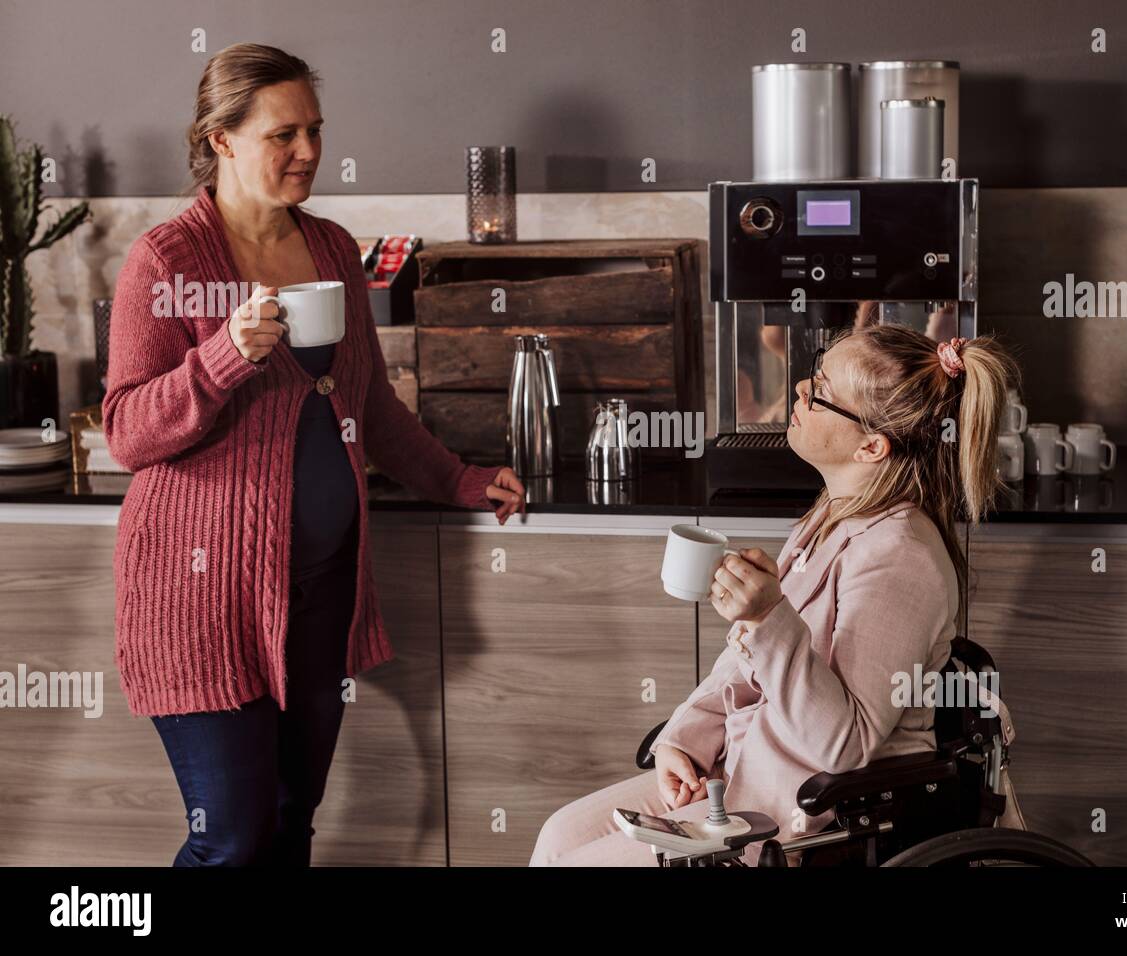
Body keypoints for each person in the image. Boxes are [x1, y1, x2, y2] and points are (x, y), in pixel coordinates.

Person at [103, 42, 524, 866]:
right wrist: (224, 355)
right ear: (221, 139)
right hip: (201, 599)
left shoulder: (331, 247)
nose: (308, 153)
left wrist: (461, 481)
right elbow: (126, 430)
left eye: (316, 131)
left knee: (292, 825)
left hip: (320, 596)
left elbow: (368, 405)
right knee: (230, 839)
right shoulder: (168, 261)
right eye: (282, 134)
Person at [530, 324, 1026, 866]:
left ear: (871, 445)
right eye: (813, 375)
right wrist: (685, 739)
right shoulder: (828, 520)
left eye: (821, 393)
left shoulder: (900, 559)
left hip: (811, 818)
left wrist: (770, 617)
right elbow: (744, 663)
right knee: (560, 836)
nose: (798, 392)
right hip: (742, 776)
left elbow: (845, 747)